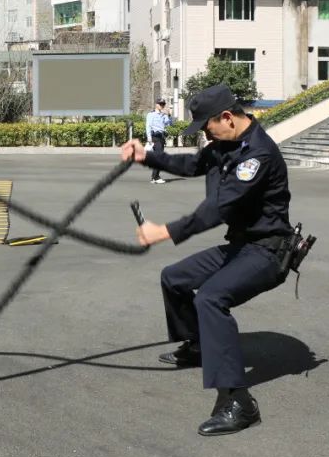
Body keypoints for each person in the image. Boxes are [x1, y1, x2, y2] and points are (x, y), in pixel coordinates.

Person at [119, 83, 293, 437]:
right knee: (174, 278)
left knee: (212, 298)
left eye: (206, 127)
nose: (204, 135)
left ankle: (238, 403)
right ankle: (199, 345)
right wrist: (147, 156)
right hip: (240, 245)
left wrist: (164, 231)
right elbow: (190, 164)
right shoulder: (224, 145)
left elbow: (217, 209)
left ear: (227, 118)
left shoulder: (257, 155)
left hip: (267, 251)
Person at [144, 99, 173, 184]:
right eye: (160, 104)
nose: (162, 105)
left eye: (163, 104)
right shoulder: (151, 114)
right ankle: (155, 177)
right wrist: (149, 138)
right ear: (156, 104)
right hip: (154, 137)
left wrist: (169, 115)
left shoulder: (163, 115)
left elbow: (169, 124)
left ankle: (155, 177)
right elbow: (148, 126)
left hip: (161, 138)